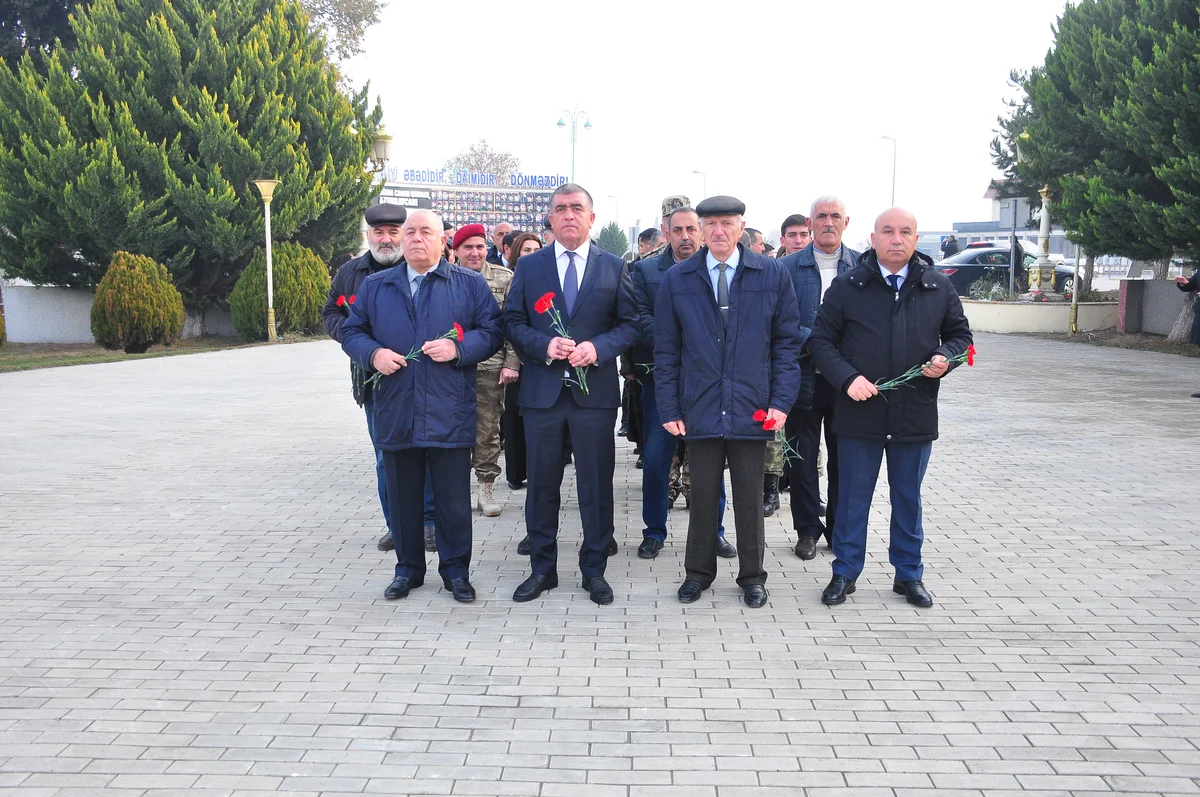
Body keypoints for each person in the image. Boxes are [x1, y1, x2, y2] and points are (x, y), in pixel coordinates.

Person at [809, 208, 973, 608]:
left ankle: (909, 575)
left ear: (916, 239)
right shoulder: (849, 286)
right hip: (859, 414)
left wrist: (944, 358)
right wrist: (848, 379)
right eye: (888, 231)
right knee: (851, 499)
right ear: (874, 237)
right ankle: (844, 572)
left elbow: (959, 335)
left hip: (914, 411)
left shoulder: (937, 286)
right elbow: (820, 343)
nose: (896, 239)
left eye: (905, 232)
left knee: (908, 498)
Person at [342, 209, 504, 602]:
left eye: (424, 232)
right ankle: (408, 570)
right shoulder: (378, 285)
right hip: (396, 405)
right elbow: (351, 330)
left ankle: (455, 572)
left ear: (441, 240)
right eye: (409, 232)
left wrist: (459, 348)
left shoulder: (467, 284)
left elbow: (493, 332)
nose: (415, 238)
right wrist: (373, 353)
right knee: (403, 499)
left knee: (451, 501)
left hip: (449, 406)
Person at [655, 195, 804, 609]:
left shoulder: (771, 275)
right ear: (700, 229)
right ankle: (697, 574)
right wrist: (669, 407)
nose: (719, 231)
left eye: (728, 223)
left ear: (742, 227)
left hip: (752, 404)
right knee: (701, 494)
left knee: (749, 495)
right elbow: (666, 350)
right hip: (699, 404)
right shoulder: (679, 278)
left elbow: (787, 346)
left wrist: (781, 402)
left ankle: (753, 576)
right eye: (711, 224)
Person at [503, 183, 640, 606]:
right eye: (560, 208)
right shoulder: (530, 267)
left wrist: (598, 348)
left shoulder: (614, 267)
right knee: (541, 485)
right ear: (551, 217)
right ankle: (542, 570)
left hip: (593, 396)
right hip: (542, 394)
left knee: (596, 486)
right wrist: (542, 346)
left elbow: (632, 323)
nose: (568, 215)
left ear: (591, 217)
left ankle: (593, 570)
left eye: (576, 208)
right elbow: (512, 320)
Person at [631, 198, 736, 561]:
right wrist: (681, 336)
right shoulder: (644, 273)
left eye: (692, 229)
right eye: (678, 230)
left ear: (703, 231)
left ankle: (715, 532)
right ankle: (654, 531)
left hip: (710, 385)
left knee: (710, 461)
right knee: (657, 460)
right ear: (665, 233)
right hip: (662, 383)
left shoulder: (717, 269)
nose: (686, 237)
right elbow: (639, 319)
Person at [778, 196, 860, 560]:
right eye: (821, 216)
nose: (829, 222)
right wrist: (816, 340)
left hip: (848, 381)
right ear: (811, 223)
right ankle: (807, 529)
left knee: (845, 458)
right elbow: (777, 320)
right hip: (802, 376)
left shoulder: (861, 266)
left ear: (846, 222)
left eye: (835, 216)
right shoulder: (788, 268)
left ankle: (839, 531)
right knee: (802, 458)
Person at [322, 202, 407, 552]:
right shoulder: (351, 272)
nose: (386, 239)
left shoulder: (421, 264)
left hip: (421, 376)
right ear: (368, 235)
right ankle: (396, 525)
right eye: (379, 233)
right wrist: (360, 340)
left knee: (429, 453)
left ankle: (430, 523)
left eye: (393, 232)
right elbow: (330, 313)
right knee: (386, 457)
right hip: (374, 380)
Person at [452, 223, 521, 517]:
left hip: (490, 368)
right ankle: (454, 490)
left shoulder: (504, 278)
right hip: (450, 369)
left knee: (487, 431)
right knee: (452, 430)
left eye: (480, 246)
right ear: (455, 251)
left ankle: (486, 486)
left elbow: (514, 324)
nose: (475, 252)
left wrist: (510, 363)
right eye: (468, 247)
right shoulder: (445, 279)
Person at [502, 232, 544, 498]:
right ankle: (515, 473)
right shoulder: (509, 278)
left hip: (539, 358)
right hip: (514, 358)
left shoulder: (544, 278)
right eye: (526, 250)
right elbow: (510, 323)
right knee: (513, 419)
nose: (531, 254)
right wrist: (511, 362)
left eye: (536, 249)